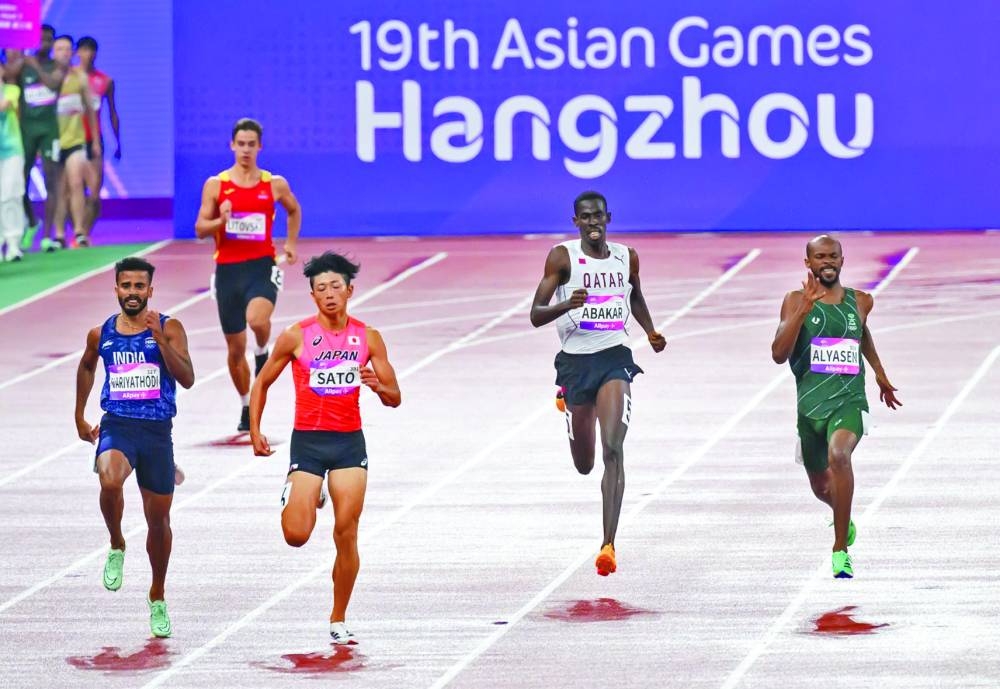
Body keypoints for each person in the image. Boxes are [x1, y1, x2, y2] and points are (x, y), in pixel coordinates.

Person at [249, 251, 401, 643]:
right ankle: (302, 490)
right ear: (313, 295)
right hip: (309, 444)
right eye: (321, 288)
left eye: (335, 286)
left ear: (350, 291)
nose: (329, 294)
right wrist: (255, 429)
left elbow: (395, 397)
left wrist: (377, 386)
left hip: (349, 444)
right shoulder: (296, 336)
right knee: (296, 535)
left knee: (346, 531)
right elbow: (262, 382)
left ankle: (338, 617)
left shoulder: (368, 337)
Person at [529, 191, 666, 577]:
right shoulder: (562, 258)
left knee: (613, 448)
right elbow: (535, 315)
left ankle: (608, 544)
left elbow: (635, 296)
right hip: (576, 364)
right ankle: (567, 401)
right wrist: (566, 305)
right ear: (576, 222)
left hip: (614, 358)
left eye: (598, 216)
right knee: (584, 464)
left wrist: (650, 331)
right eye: (586, 217)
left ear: (608, 218)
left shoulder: (626, 256)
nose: (593, 223)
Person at [74, 257, 195, 637]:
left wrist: (161, 342)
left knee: (159, 523)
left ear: (150, 291)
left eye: (139, 286)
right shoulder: (101, 333)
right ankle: (116, 543)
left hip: (157, 432)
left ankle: (157, 595)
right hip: (118, 424)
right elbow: (87, 366)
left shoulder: (169, 327)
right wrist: (79, 415)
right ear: (116, 289)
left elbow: (188, 378)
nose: (132, 293)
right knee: (110, 479)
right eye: (126, 286)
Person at [770, 234, 901, 579]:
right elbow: (778, 354)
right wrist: (803, 310)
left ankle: (840, 550)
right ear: (808, 263)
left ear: (842, 260)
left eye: (832, 256)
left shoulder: (862, 301)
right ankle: (843, 515)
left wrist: (880, 373)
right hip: (810, 407)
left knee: (840, 455)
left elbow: (861, 333)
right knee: (821, 488)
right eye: (820, 257)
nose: (827, 262)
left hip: (849, 400)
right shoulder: (794, 300)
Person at [194, 118, 301, 432]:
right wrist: (221, 221)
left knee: (257, 319)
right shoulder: (216, 185)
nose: (245, 150)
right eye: (240, 144)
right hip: (228, 271)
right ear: (232, 145)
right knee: (234, 348)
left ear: (259, 147)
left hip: (261, 266)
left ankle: (262, 348)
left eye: (251, 144)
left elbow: (294, 210)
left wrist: (291, 243)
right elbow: (200, 228)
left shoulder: (273, 184)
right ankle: (245, 404)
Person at [22, 34, 100, 247]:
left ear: (72, 52)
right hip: (54, 139)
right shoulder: (47, 76)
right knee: (58, 189)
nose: (64, 53)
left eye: (67, 49)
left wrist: (94, 140)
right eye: (59, 49)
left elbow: (90, 110)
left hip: (75, 140)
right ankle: (58, 234)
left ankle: (79, 231)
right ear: (53, 52)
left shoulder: (79, 77)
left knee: (76, 183)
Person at [8, 25, 60, 251]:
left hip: (49, 131)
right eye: (40, 39)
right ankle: (31, 222)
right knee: (19, 181)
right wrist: (19, 58)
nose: (44, 43)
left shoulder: (57, 66)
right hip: (26, 130)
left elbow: (53, 84)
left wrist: (35, 65)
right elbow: (7, 75)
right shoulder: (24, 64)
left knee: (51, 182)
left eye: (48, 40)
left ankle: (47, 236)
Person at [76, 36, 122, 235]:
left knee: (94, 194)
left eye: (91, 50)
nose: (88, 54)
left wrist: (118, 143)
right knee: (73, 190)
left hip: (94, 141)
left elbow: (113, 113)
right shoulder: (69, 78)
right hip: (72, 141)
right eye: (84, 50)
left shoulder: (105, 81)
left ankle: (84, 235)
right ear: (77, 52)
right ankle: (78, 232)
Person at [0, 57, 25, 261]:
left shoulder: (11, 90)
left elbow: (3, 106)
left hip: (12, 151)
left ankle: (14, 243)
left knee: (11, 195)